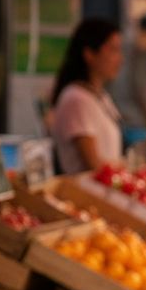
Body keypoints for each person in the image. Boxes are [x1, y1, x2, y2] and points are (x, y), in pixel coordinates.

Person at [51, 18, 123, 174]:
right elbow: (93, 163)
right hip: (87, 194)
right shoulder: (76, 99)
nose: (119, 59)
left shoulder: (101, 96)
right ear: (89, 54)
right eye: (113, 50)